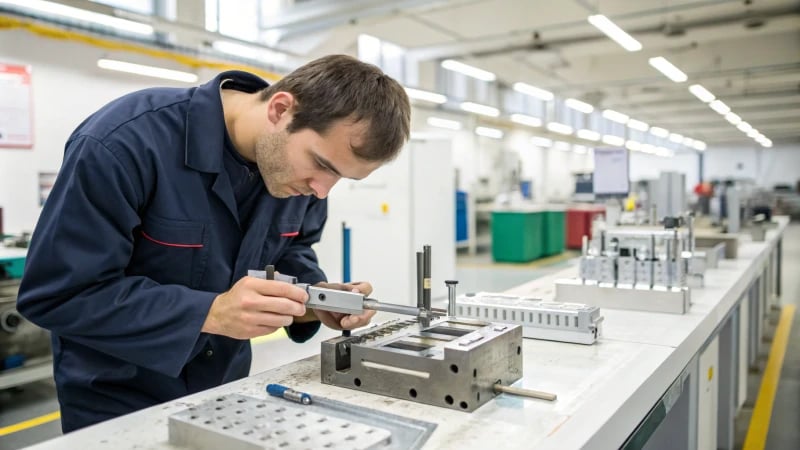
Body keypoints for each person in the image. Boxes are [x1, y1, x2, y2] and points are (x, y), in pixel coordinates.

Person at [16, 54, 411, 432]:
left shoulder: (300, 180)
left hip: (226, 391)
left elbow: (290, 251)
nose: (322, 191)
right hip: (116, 402)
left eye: (341, 177)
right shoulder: (124, 143)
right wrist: (210, 313)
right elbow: (57, 294)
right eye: (323, 165)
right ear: (280, 110)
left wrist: (314, 299)